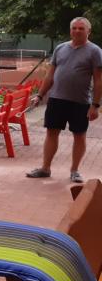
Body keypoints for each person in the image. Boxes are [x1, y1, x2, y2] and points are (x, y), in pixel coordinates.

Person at [26, 16, 101, 183]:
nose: (77, 31)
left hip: (81, 102)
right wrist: (40, 95)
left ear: (88, 31)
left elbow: (98, 80)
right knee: (51, 133)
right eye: (74, 28)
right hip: (56, 99)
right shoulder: (60, 48)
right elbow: (50, 75)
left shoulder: (95, 51)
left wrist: (95, 105)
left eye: (81, 28)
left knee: (79, 136)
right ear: (70, 30)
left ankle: (75, 171)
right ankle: (45, 168)